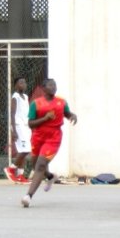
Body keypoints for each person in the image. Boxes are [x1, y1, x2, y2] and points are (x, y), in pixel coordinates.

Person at [21, 79, 78, 208]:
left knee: (40, 165)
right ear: (43, 88)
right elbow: (30, 124)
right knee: (36, 165)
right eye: (50, 85)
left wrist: (73, 116)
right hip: (38, 137)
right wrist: (45, 118)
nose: (53, 87)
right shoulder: (36, 103)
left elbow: (67, 114)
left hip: (53, 137)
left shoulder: (61, 102)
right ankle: (50, 176)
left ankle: (28, 196)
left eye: (55, 85)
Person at [4, 77, 31, 184]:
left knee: (22, 151)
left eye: (24, 82)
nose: (23, 84)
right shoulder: (15, 97)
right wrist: (13, 130)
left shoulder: (25, 97)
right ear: (15, 85)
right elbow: (12, 113)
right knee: (26, 150)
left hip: (25, 126)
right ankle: (11, 168)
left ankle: (20, 176)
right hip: (18, 126)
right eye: (20, 83)